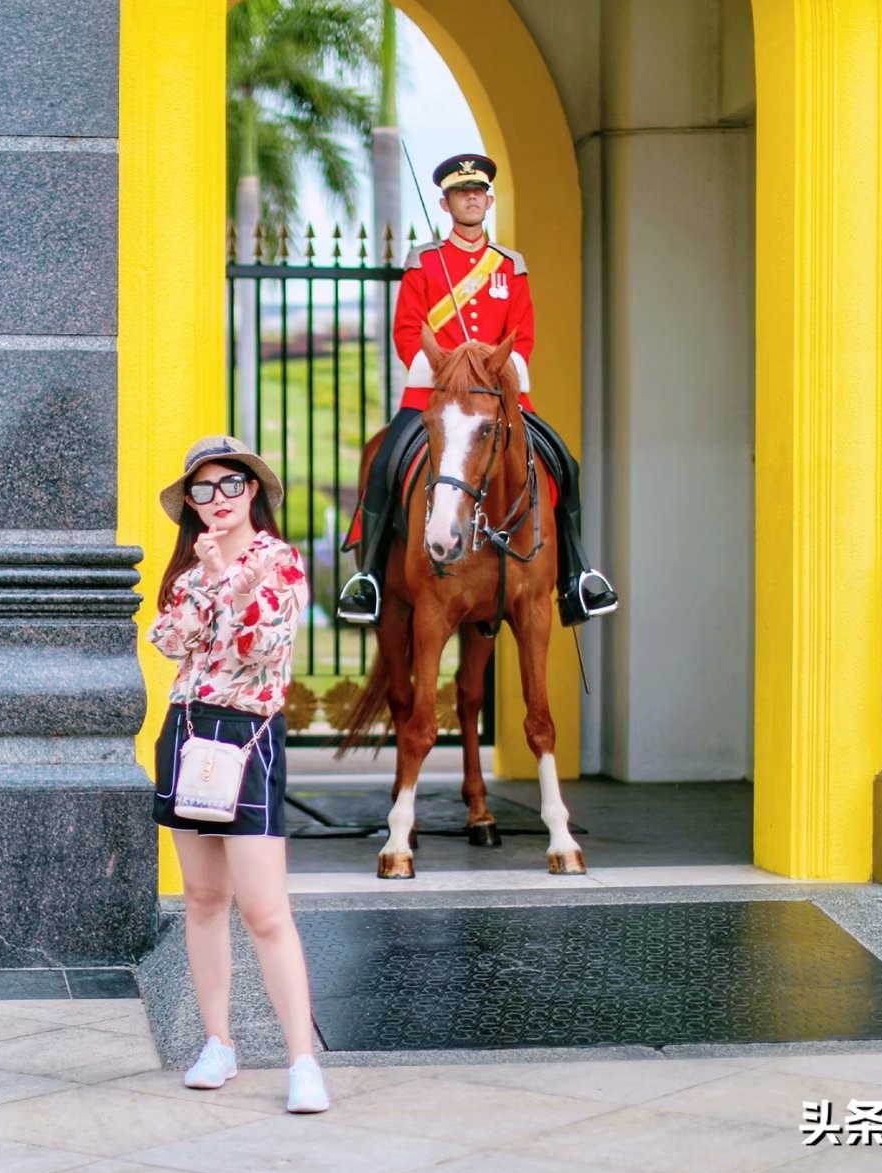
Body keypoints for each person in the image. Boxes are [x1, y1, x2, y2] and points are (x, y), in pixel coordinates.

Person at [336, 152, 619, 627]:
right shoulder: (425, 262)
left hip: (499, 395)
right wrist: (445, 369)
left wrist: (497, 374)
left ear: (487, 201)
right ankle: (370, 579)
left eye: (477, 192)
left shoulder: (510, 266)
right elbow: (408, 329)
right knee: (384, 466)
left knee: (563, 465)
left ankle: (575, 576)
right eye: (459, 194)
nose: (470, 199)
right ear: (445, 205)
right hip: (436, 395)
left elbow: (522, 334)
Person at [147, 435, 328, 1115]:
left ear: (253, 489)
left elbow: (259, 651)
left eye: (229, 486)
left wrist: (232, 585)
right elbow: (166, 640)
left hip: (247, 735)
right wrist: (212, 583)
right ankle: (218, 1043)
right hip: (189, 732)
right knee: (201, 898)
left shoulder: (279, 562)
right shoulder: (191, 572)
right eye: (202, 490)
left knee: (265, 909)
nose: (216, 501)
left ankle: (301, 1060)